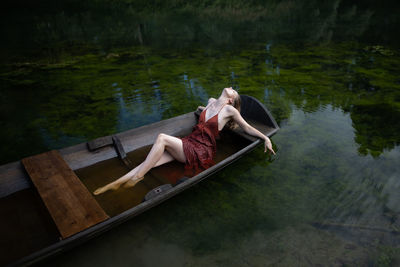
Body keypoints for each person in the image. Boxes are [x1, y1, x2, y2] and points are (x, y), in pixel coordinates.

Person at [93, 87, 275, 195]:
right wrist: (201, 108)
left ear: (231, 99)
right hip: (189, 142)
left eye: (234, 91)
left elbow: (246, 127)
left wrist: (265, 137)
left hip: (201, 150)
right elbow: (207, 112)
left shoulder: (230, 111)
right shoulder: (211, 102)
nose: (231, 87)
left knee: (162, 138)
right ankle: (114, 184)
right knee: (148, 162)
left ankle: (138, 178)